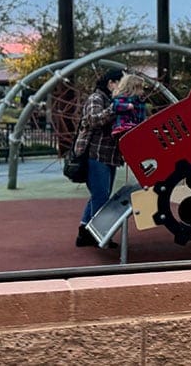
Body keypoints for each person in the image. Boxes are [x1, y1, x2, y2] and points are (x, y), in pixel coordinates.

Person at [74, 68, 124, 248]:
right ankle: (100, 235)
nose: (122, 87)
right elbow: (93, 120)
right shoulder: (97, 98)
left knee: (100, 194)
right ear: (111, 83)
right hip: (96, 154)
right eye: (120, 83)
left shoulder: (111, 100)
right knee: (101, 195)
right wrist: (114, 109)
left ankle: (84, 231)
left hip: (108, 155)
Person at [111, 74, 148, 138]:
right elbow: (115, 106)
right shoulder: (122, 98)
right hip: (123, 126)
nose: (142, 91)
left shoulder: (139, 101)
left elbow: (142, 116)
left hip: (136, 127)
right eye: (140, 88)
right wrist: (127, 106)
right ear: (133, 88)